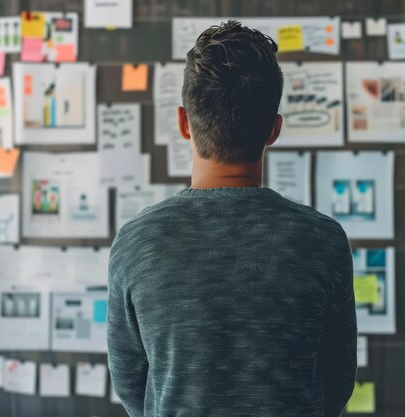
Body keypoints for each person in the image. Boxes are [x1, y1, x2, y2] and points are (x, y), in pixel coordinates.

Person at [107, 20, 357, 417]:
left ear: (184, 123)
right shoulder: (323, 241)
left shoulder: (137, 241)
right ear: (274, 130)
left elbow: (130, 383)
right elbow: (338, 381)